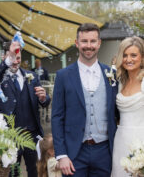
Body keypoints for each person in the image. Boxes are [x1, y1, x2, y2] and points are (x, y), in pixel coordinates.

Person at [51, 23, 118, 177]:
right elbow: (56, 117)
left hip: (104, 152)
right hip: (74, 154)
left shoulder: (111, 75)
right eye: (84, 41)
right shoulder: (63, 76)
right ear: (77, 43)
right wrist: (61, 155)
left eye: (93, 41)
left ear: (99, 43)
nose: (89, 46)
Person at [0, 41, 51, 177]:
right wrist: (7, 62)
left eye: (18, 58)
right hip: (10, 137)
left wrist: (44, 98)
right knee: (12, 173)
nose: (16, 62)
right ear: (4, 57)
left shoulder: (31, 76)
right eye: (12, 58)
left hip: (32, 135)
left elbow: (44, 102)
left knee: (36, 172)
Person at [112, 36, 144, 177]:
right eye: (124, 55)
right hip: (120, 141)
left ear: (142, 58)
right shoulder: (119, 82)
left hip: (141, 141)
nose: (128, 59)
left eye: (133, 55)